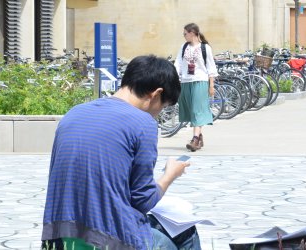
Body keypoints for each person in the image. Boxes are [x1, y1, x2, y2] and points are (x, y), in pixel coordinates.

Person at [41, 55, 197, 250]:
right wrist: (169, 175)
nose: (157, 114)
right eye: (162, 107)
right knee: (182, 234)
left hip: (59, 238)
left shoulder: (74, 113)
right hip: (109, 240)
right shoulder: (143, 123)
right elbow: (143, 201)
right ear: (156, 94)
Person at [175, 23, 218, 151]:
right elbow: (178, 63)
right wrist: (174, 78)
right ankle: (199, 136)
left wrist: (211, 85)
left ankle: (194, 140)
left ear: (192, 33)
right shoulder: (184, 47)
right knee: (189, 110)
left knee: (196, 110)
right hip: (185, 82)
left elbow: (211, 67)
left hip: (200, 81)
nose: (184, 36)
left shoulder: (205, 48)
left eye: (185, 34)